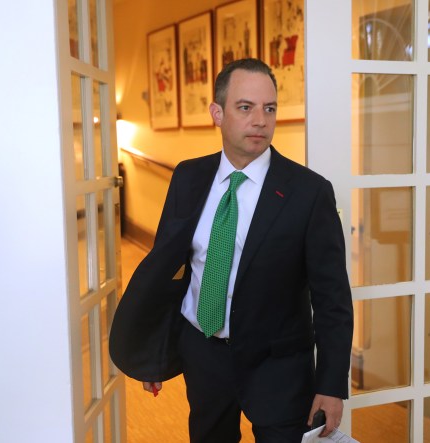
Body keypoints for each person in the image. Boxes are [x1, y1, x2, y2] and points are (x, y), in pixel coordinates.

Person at [109, 58, 353, 442]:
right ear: (217, 113)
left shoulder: (309, 192)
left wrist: (332, 383)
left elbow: (332, 298)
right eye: (245, 107)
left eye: (269, 108)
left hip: (279, 366)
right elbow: (169, 272)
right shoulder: (189, 177)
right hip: (203, 353)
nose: (260, 120)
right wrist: (153, 354)